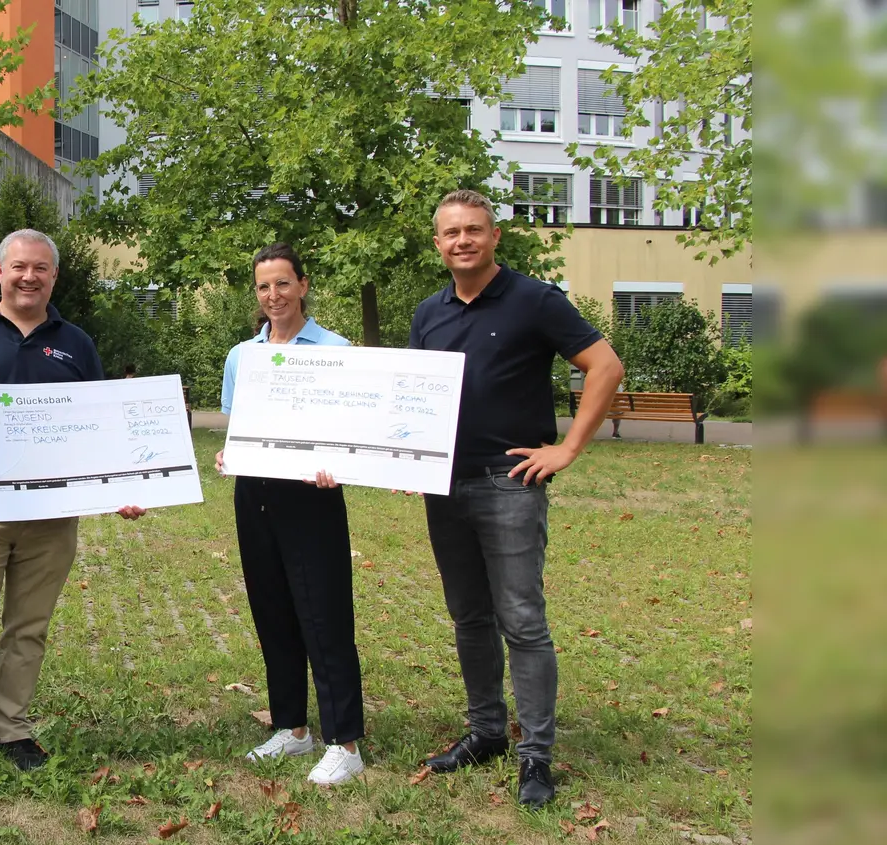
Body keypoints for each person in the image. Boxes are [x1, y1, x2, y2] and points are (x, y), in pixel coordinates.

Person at [410, 190, 623, 808]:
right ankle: (485, 733)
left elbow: (605, 366)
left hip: (510, 484)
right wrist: (405, 455)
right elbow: (416, 397)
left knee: (522, 621)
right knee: (468, 617)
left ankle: (536, 758)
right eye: (451, 233)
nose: (462, 241)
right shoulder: (429, 313)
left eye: (473, 230)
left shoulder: (536, 300)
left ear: (494, 236)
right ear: (438, 244)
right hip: (444, 484)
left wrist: (567, 449)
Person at [0, 229, 144, 775]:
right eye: (19, 267)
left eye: (40, 268)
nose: (28, 277)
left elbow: (101, 426)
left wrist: (123, 488)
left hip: (52, 511)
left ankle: (12, 727)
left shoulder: (77, 343)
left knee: (28, 625)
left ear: (53, 277)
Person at [214, 242, 368, 786]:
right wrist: (228, 452)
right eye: (263, 286)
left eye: (283, 283)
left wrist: (335, 465)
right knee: (272, 611)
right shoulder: (242, 355)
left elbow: (351, 434)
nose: (273, 295)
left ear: (303, 285)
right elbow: (239, 426)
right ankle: (291, 729)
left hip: (311, 496)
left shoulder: (336, 349)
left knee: (323, 616)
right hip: (254, 493)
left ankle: (344, 741)